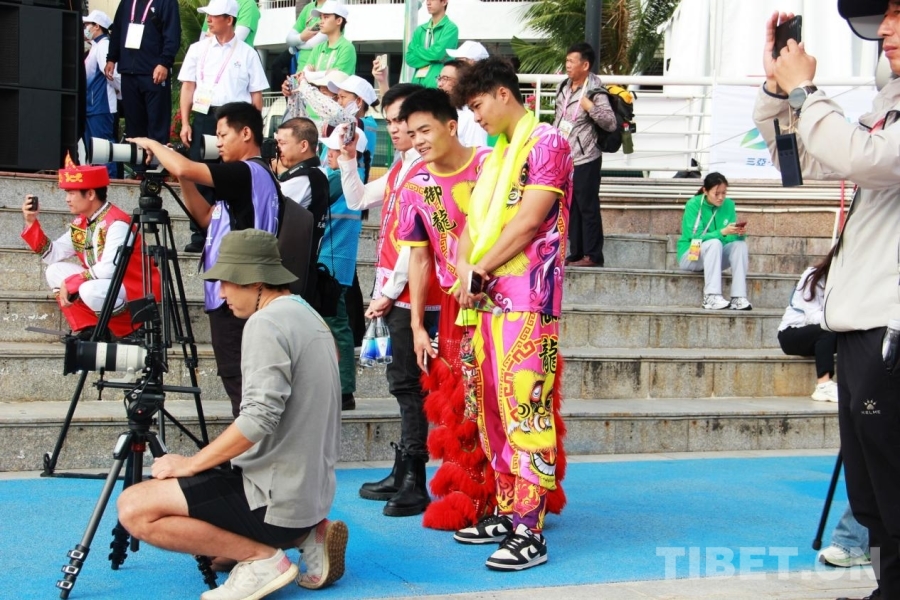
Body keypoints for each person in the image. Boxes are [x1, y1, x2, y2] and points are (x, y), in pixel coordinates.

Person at [753, 3, 900, 598]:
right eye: (883, 16)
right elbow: (808, 160)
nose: (883, 29)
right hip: (862, 324)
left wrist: (807, 92)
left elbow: (868, 157)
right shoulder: (887, 104)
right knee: (872, 495)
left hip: (889, 325)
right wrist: (777, 89)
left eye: (898, 13)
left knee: (892, 488)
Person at [116, 229, 348, 599]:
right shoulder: (308, 314)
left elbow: (258, 418)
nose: (221, 294)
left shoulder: (265, 322)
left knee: (134, 508)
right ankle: (308, 535)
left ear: (255, 281)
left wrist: (191, 464)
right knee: (216, 551)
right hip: (310, 496)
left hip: (275, 500)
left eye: (226, 281)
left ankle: (262, 560)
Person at [452, 56, 573, 571]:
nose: (476, 116)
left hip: (528, 299)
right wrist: (465, 269)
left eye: (478, 105)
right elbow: (468, 228)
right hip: (485, 300)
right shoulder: (494, 158)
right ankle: (508, 510)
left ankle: (530, 530)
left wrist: (477, 269)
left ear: (503, 94)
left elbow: (527, 221)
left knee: (526, 406)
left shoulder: (548, 143)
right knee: (493, 409)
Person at [129, 102, 305, 418]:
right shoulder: (250, 179)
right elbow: (207, 218)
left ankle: (253, 445)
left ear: (246, 133)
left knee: (241, 382)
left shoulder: (246, 171)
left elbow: (186, 168)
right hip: (241, 290)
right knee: (240, 379)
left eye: (223, 135)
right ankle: (253, 442)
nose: (218, 143)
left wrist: (154, 146)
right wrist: (182, 176)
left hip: (239, 293)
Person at [337, 83, 442, 516]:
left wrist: (387, 293)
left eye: (403, 121)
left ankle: (415, 474)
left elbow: (416, 246)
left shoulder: (425, 170)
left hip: (417, 294)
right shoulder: (402, 166)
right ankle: (405, 469)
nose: (396, 129)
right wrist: (347, 158)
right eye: (391, 121)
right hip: (397, 290)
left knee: (409, 383)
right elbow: (358, 198)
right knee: (402, 380)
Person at [393, 87, 494, 529]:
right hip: (453, 310)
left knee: (506, 396)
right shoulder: (416, 186)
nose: (416, 140)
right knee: (460, 402)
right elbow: (420, 259)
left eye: (424, 130)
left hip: (502, 301)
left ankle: (518, 499)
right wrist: (418, 325)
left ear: (451, 126)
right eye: (410, 132)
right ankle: (469, 497)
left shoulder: (490, 166)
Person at [20, 160, 159, 339]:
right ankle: (92, 328)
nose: (67, 199)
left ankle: (133, 328)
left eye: (71, 193)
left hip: (135, 287)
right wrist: (31, 222)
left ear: (91, 194)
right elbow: (52, 254)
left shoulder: (117, 223)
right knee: (54, 271)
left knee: (89, 289)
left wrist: (73, 282)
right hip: (108, 284)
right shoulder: (82, 222)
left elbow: (109, 269)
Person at [178, 0, 269, 253]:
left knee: (231, 174)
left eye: (214, 15)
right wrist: (185, 122)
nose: (208, 19)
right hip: (205, 114)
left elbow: (256, 95)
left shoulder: (247, 53)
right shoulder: (197, 49)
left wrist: (253, 131)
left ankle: (231, 231)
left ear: (229, 19)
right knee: (200, 171)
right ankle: (199, 234)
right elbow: (188, 86)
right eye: (207, 15)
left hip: (236, 119)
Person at [553, 42, 616, 269]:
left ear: (585, 65)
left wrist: (590, 107)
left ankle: (593, 254)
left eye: (572, 61)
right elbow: (559, 117)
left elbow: (610, 123)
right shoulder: (564, 87)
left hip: (586, 157)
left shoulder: (595, 90)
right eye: (567, 61)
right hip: (565, 157)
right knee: (571, 206)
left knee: (587, 206)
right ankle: (576, 252)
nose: (568, 65)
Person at [321, 126, 365, 411]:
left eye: (334, 150)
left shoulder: (342, 178)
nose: (328, 155)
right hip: (335, 261)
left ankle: (345, 389)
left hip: (332, 262)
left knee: (337, 325)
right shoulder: (346, 177)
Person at [104, 0, 180, 149]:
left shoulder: (166, 2)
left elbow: (172, 33)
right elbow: (117, 29)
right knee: (134, 127)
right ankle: (138, 162)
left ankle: (158, 162)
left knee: (157, 124)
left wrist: (164, 62)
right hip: (128, 72)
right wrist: (111, 58)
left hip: (154, 72)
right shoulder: (127, 2)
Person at [676, 172, 751, 311]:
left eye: (724, 193)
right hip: (691, 255)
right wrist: (722, 232)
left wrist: (738, 234)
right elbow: (694, 237)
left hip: (715, 256)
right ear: (705, 191)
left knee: (740, 245)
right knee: (714, 243)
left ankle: (738, 297)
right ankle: (711, 296)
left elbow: (728, 238)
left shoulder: (729, 205)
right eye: (716, 194)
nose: (721, 197)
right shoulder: (693, 204)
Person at [777, 254, 839, 402]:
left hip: (818, 337)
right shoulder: (813, 276)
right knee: (827, 329)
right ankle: (823, 385)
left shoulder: (845, 283)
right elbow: (813, 316)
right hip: (791, 334)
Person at [82, 10, 120, 179]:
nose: (85, 28)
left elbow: (112, 75)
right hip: (93, 105)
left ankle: (110, 182)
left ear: (97, 26)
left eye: (86, 25)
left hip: (101, 105)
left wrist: (119, 93)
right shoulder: (96, 46)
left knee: (103, 149)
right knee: (95, 151)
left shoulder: (104, 45)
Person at [406, 0, 458, 88]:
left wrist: (416, 49)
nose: (428, 3)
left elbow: (437, 54)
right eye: (427, 0)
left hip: (437, 85)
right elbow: (409, 58)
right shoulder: (420, 29)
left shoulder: (451, 28)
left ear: (444, 2)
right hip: (416, 85)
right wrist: (436, 58)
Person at [438, 59, 487, 147]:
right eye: (439, 79)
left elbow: (477, 151)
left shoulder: (472, 116)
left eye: (445, 79)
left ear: (461, 82)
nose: (440, 84)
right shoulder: (443, 111)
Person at [305, 1, 356, 76]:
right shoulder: (317, 48)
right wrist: (326, 73)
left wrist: (313, 75)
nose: (320, 22)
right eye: (321, 18)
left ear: (339, 21)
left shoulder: (347, 48)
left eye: (326, 17)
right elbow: (305, 74)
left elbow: (336, 78)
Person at [290, 0, 328, 73]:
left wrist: (297, 45)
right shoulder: (308, 7)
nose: (322, 21)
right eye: (321, 17)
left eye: (325, 17)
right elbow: (290, 39)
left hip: (319, 72)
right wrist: (301, 38)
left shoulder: (333, 7)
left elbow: (314, 43)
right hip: (301, 70)